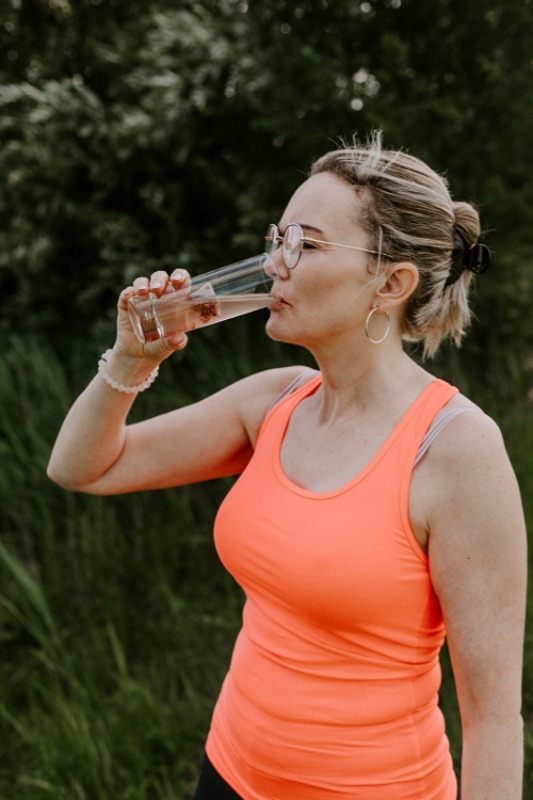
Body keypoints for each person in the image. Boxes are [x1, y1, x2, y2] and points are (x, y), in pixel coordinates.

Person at [47, 132, 527, 800]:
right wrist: (131, 361)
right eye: (277, 238)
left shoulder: (455, 451)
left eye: (305, 243)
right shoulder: (273, 401)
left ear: (389, 283)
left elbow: (494, 720)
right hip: (228, 774)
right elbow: (84, 468)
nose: (275, 263)